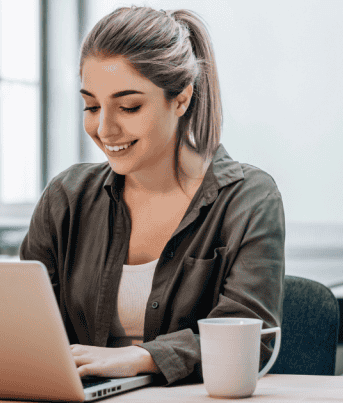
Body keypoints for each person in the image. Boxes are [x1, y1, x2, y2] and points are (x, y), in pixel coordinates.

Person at [20, 6, 284, 385]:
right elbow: (24, 330)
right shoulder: (66, 198)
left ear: (180, 99)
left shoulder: (247, 199)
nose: (104, 128)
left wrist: (138, 358)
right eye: (91, 106)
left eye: (129, 106)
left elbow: (250, 340)